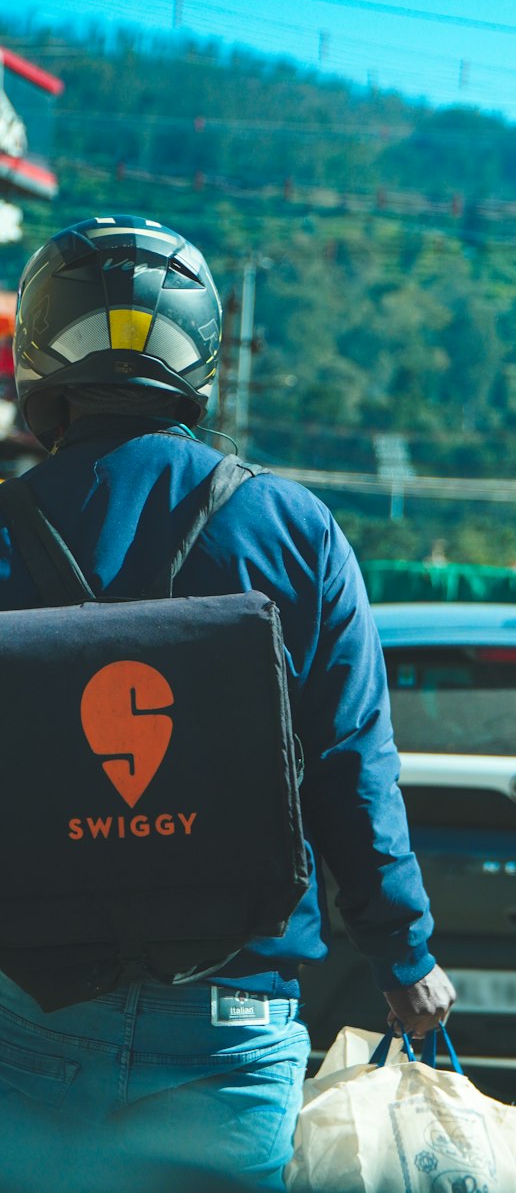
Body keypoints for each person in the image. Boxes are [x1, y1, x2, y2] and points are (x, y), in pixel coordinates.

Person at [0, 215, 455, 1192]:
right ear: (197, 354)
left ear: (41, 351)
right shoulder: (291, 528)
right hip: (231, 1041)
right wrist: (404, 952)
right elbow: (350, 763)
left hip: (19, 1025)